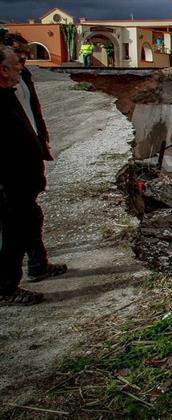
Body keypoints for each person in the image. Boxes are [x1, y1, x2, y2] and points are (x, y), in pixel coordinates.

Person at [5, 34, 67, 283]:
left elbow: (33, 112)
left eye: (26, 54)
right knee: (14, 225)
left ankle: (38, 264)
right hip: (10, 168)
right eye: (19, 53)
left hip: (28, 158)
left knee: (30, 216)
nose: (24, 59)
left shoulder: (22, 78)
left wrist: (41, 139)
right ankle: (7, 284)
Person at [0, 46, 47, 305]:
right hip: (9, 183)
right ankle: (5, 288)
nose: (22, 66)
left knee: (30, 221)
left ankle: (38, 266)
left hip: (23, 180)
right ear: (2, 69)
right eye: (16, 62)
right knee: (11, 234)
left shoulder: (9, 94)